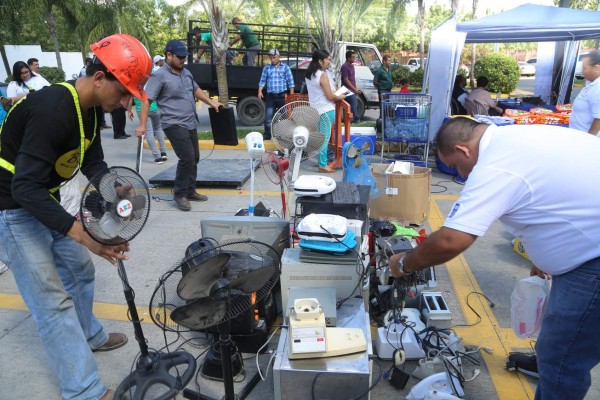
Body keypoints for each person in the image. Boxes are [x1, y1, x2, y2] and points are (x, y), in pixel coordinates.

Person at [389, 117, 600, 400]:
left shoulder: (495, 164)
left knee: (563, 355)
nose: (460, 175)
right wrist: (544, 254)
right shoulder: (517, 138)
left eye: (455, 167)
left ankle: (558, 378)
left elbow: (453, 240)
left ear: (463, 150)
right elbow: (553, 195)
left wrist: (404, 263)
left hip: (592, 263)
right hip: (588, 247)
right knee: (565, 344)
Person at [0, 33, 153, 400]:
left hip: (42, 198)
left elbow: (92, 161)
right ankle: (84, 390)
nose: (125, 102)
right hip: (12, 208)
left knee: (80, 271)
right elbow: (24, 188)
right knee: (52, 302)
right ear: (99, 78)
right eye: (123, 91)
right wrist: (81, 233)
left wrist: (112, 188)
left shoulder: (89, 109)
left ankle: (90, 336)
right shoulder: (53, 109)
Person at [137, 39, 224, 212]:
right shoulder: (159, 75)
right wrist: (142, 125)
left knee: (195, 157)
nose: (183, 60)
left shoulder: (186, 73)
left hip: (190, 122)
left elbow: (196, 90)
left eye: (184, 57)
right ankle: (179, 194)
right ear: (169, 55)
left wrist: (211, 103)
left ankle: (190, 190)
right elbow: (147, 100)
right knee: (187, 158)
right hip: (173, 123)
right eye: (180, 57)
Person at [305, 49, 346, 173]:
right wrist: (341, 96)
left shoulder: (310, 74)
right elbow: (330, 96)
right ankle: (322, 165)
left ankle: (322, 162)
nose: (329, 62)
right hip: (326, 110)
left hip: (316, 109)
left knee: (321, 137)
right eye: (327, 59)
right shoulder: (322, 75)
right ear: (320, 61)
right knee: (324, 138)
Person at [258, 48, 295, 140]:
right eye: (271, 58)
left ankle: (285, 135)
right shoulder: (267, 68)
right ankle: (267, 134)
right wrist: (260, 91)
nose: (272, 60)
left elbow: (291, 82)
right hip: (271, 96)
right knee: (268, 117)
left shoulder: (285, 68)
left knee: (285, 116)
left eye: (274, 57)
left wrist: (291, 96)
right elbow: (262, 81)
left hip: (282, 96)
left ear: (279, 57)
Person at [128, 96, 168, 164]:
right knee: (158, 128)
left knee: (149, 132)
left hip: (141, 110)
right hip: (154, 108)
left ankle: (157, 158)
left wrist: (129, 111)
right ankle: (163, 153)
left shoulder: (133, 86)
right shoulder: (150, 84)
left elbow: (130, 99)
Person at [569, 50, 600, 135]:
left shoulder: (598, 88)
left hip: (585, 140)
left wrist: (588, 140)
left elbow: (598, 119)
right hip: (578, 135)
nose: (582, 72)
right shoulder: (592, 83)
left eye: (584, 68)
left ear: (597, 68)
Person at [340, 50, 361, 123]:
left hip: (351, 89)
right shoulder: (345, 66)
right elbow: (346, 80)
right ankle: (356, 119)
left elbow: (352, 79)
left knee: (353, 104)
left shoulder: (352, 66)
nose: (354, 58)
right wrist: (354, 89)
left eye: (354, 57)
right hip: (345, 89)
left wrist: (356, 88)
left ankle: (349, 120)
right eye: (352, 57)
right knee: (354, 102)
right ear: (348, 58)